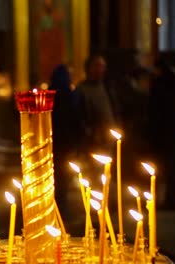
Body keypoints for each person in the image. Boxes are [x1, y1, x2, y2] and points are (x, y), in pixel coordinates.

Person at [148, 50, 175, 210]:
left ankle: (162, 200)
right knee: (171, 166)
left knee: (161, 167)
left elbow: (155, 109)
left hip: (163, 131)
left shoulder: (160, 83)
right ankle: (170, 199)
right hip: (173, 130)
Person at [49, 64, 84, 213]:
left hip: (54, 141)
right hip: (66, 141)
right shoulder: (69, 95)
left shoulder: (51, 94)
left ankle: (57, 206)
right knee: (63, 176)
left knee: (56, 176)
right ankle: (61, 207)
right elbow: (77, 118)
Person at [76, 54, 116, 155]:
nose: (101, 69)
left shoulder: (107, 87)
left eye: (103, 66)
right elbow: (80, 116)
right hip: (93, 141)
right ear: (89, 68)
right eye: (97, 65)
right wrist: (90, 132)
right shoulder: (82, 89)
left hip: (108, 138)